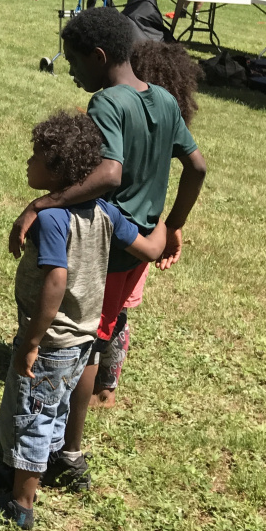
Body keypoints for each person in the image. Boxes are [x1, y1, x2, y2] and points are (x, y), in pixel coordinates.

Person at [8, 8, 206, 490]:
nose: (72, 71)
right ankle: (64, 448)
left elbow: (109, 173)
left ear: (99, 57)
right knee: (99, 338)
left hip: (104, 249)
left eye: (75, 62)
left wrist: (42, 202)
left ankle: (67, 454)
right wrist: (172, 227)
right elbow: (197, 167)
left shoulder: (107, 103)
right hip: (139, 243)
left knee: (81, 346)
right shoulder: (162, 98)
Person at [0, 110, 166, 530]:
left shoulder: (54, 218)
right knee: (52, 411)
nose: (27, 162)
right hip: (85, 339)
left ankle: (21, 501)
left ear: (57, 170)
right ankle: (34, 471)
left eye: (35, 157)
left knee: (30, 414)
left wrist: (34, 339)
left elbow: (56, 280)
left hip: (52, 340)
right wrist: (166, 223)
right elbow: (148, 251)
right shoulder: (106, 212)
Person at [90, 40, 203, 404]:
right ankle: (108, 382)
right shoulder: (167, 114)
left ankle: (89, 388)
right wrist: (172, 225)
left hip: (115, 243)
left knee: (98, 325)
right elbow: (195, 168)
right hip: (148, 235)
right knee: (119, 312)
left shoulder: (116, 110)